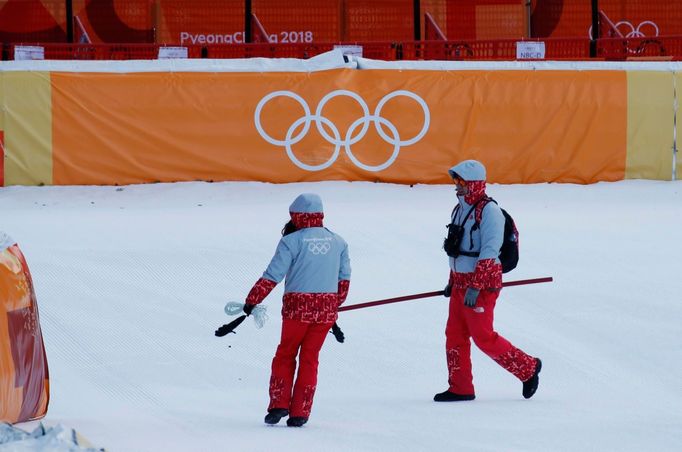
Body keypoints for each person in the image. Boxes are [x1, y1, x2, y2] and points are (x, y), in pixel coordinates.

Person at [437, 159, 541, 402]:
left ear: (473, 183)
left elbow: (489, 251)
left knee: (483, 336)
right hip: (461, 283)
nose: (456, 186)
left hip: (481, 285)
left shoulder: (490, 212)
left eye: (461, 182)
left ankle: (528, 368)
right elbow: (457, 250)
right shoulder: (459, 209)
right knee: (454, 335)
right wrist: (452, 281)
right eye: (456, 181)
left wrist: (476, 285)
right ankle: (460, 387)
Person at [243, 193, 351, 427]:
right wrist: (334, 304)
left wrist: (253, 299)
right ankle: (301, 411)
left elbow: (273, 275)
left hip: (296, 310)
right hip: (324, 312)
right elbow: (344, 280)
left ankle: (279, 405)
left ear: (297, 215)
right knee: (310, 359)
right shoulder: (339, 242)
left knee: (286, 354)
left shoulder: (291, 242)